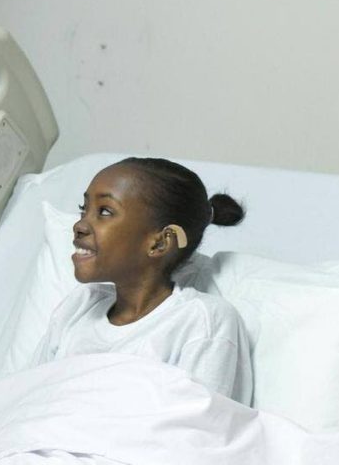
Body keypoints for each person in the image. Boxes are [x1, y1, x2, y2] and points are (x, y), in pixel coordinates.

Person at [29, 157, 253, 404]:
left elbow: (197, 431)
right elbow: (25, 397)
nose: (80, 225)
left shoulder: (202, 321)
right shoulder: (79, 307)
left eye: (104, 211)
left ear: (159, 242)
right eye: (84, 209)